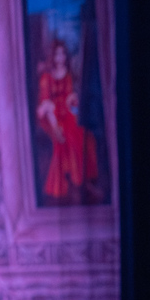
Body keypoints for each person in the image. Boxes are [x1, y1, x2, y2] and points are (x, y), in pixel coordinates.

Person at [35, 40, 99, 203]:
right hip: (53, 116)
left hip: (68, 113)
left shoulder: (70, 76)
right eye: (57, 53)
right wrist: (55, 126)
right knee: (65, 135)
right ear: (53, 56)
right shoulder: (47, 78)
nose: (60, 57)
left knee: (82, 133)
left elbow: (73, 102)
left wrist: (75, 108)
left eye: (63, 53)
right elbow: (46, 105)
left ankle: (82, 180)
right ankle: (72, 181)